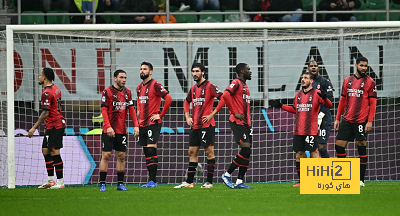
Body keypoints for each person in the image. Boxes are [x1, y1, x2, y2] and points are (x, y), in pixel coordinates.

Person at [270, 72, 333, 187]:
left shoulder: (317, 93)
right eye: (302, 78)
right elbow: (295, 109)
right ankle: (302, 181)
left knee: (314, 153)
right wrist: (281, 106)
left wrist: (325, 98)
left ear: (311, 81)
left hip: (311, 130)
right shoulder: (298, 94)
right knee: (299, 154)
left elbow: (329, 106)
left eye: (306, 78)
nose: (303, 80)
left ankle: (317, 180)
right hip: (298, 130)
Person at [174, 63, 225, 189]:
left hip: (207, 125)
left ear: (203, 72)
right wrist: (187, 116)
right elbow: (186, 102)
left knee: (209, 152)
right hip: (195, 125)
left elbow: (223, 98)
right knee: (192, 152)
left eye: (197, 71)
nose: (194, 74)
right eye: (193, 71)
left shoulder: (210, 86)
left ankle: (209, 182)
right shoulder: (193, 88)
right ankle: (189, 182)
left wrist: (212, 114)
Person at [334, 56, 377, 187]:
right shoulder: (347, 80)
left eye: (366, 66)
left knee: (361, 146)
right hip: (347, 119)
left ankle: (360, 180)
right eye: (362, 65)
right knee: (339, 145)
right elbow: (342, 100)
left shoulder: (370, 82)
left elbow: (373, 104)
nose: (364, 68)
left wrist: (369, 121)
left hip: (361, 120)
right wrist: (337, 118)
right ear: (356, 65)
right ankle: (345, 176)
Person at [99, 69, 139, 192]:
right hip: (109, 129)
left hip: (121, 129)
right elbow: (104, 110)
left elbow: (131, 109)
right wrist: (108, 126)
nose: (124, 80)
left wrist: (136, 125)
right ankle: (102, 184)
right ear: (115, 78)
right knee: (106, 155)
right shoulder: (107, 91)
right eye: (121, 77)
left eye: (125, 78)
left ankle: (120, 184)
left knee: (121, 156)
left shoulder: (128, 92)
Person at [28, 67, 66, 189]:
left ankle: (60, 182)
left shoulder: (46, 93)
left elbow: (45, 113)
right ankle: (50, 180)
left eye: (40, 75)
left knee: (55, 152)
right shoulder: (55, 88)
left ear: (45, 77)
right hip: (54, 123)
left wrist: (34, 128)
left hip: (55, 125)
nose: (39, 77)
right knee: (45, 150)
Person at [137, 62, 173, 187]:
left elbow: (168, 99)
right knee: (147, 152)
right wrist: (138, 112)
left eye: (145, 69)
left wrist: (160, 115)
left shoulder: (156, 84)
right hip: (142, 124)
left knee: (151, 149)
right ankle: (150, 181)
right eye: (141, 69)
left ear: (151, 72)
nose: (142, 71)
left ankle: (153, 181)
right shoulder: (139, 87)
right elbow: (138, 100)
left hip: (153, 123)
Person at [220, 63, 254, 189]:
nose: (250, 71)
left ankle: (239, 181)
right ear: (241, 71)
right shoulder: (236, 82)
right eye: (248, 69)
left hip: (246, 124)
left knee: (247, 152)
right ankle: (227, 174)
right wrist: (234, 112)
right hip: (237, 122)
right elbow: (225, 95)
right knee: (245, 149)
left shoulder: (245, 86)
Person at [308, 61, 334, 158]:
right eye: (311, 66)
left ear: (319, 68)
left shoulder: (325, 82)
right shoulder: (306, 83)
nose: (313, 68)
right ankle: (314, 170)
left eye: (315, 66)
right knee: (311, 147)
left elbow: (330, 101)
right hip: (310, 119)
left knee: (321, 146)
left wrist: (321, 115)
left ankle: (327, 170)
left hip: (323, 119)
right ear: (308, 69)